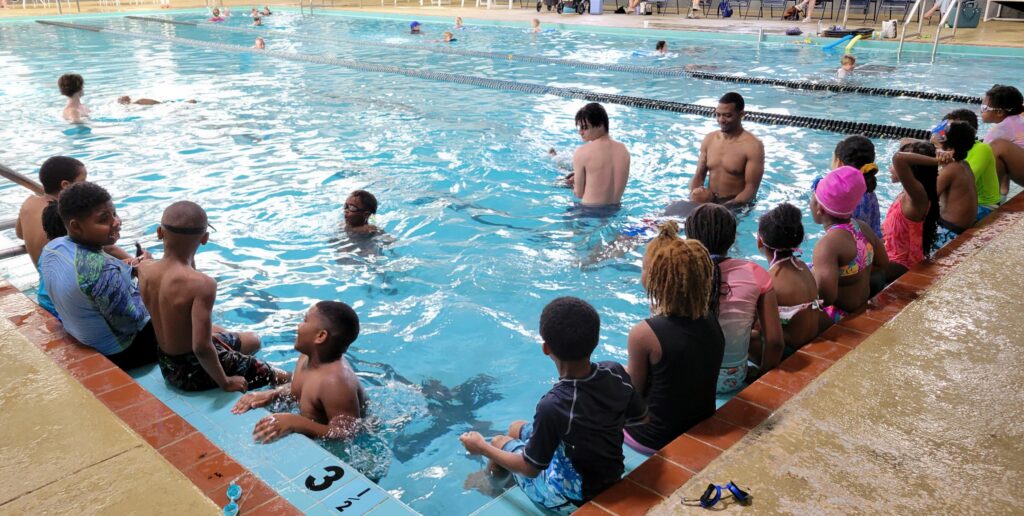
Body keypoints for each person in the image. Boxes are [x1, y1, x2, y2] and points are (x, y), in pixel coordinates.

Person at [458, 297, 648, 512]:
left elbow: (530, 468)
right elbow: (641, 418)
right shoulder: (614, 371)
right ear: (595, 340)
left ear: (546, 348)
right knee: (516, 427)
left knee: (499, 441)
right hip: (609, 472)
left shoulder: (554, 405)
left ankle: (491, 485)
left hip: (574, 493)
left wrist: (481, 448)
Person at [138, 201, 289, 392]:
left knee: (253, 340)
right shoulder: (203, 284)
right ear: (205, 238)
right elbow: (201, 347)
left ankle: (235, 357)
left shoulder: (144, 269)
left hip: (168, 365)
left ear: (159, 232)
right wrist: (225, 381)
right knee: (282, 377)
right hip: (192, 372)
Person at [623, 222, 724, 455]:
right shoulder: (709, 318)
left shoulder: (643, 334)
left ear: (657, 281)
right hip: (701, 421)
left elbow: (634, 393)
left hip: (653, 437)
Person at [39, 182, 157, 370]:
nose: (116, 222)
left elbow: (86, 281)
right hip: (121, 353)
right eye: (103, 220)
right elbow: (130, 324)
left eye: (114, 214)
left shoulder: (54, 247)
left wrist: (128, 270)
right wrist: (147, 277)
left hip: (80, 335)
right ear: (76, 226)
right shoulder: (102, 270)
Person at [232, 301, 368, 442]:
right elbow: (300, 391)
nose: (299, 325)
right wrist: (273, 394)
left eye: (305, 320)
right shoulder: (307, 357)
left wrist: (295, 422)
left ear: (320, 336)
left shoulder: (335, 383)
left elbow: (347, 433)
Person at [685, 204, 783, 392]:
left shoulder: (680, 274)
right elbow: (775, 342)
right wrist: (762, 375)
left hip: (689, 378)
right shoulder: (755, 273)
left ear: (689, 239)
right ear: (732, 240)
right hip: (732, 378)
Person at [810, 166, 888, 322]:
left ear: (819, 208)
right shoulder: (861, 227)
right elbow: (882, 262)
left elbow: (826, 298)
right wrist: (854, 275)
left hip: (837, 316)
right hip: (859, 306)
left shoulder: (827, 246)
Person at [757, 203, 831, 350]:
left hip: (790, 350)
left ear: (760, 241)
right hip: (811, 338)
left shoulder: (770, 281)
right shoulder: (802, 266)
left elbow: (770, 338)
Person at [688, 92, 765, 208]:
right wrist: (694, 199)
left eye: (727, 116)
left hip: (736, 205)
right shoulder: (709, 139)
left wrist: (724, 209)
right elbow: (699, 176)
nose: (721, 120)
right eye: (718, 115)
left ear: (741, 114)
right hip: (708, 201)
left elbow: (751, 189)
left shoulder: (753, 146)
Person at [885, 142, 940, 281]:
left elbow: (899, 158)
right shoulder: (907, 194)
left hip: (903, 265)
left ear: (910, 170)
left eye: (893, 166)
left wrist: (936, 160)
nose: (891, 168)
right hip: (892, 259)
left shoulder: (917, 198)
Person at [925, 120, 979, 253]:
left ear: (948, 149)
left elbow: (925, 199)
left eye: (935, 146)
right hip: (962, 226)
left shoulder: (951, 170)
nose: (934, 149)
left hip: (950, 230)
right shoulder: (964, 165)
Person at [566, 103, 631, 209]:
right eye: (580, 127)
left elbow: (578, 194)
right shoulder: (624, 150)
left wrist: (573, 184)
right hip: (615, 210)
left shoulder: (582, 152)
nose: (580, 132)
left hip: (588, 211)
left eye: (585, 127)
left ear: (600, 125)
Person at [942, 109, 1001, 212]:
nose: (945, 135)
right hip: (960, 201)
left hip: (984, 205)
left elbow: (963, 181)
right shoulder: (949, 149)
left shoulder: (982, 149)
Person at [980, 85, 1024, 197]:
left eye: (985, 108)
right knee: (1003, 153)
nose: (981, 111)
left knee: (995, 148)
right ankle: (1002, 192)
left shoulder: (1002, 128)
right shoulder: (1017, 120)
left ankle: (991, 197)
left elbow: (983, 155)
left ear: (999, 112)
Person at [835, 135, 882, 238]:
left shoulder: (842, 196)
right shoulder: (870, 192)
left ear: (840, 163)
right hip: (869, 251)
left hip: (848, 251)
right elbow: (876, 231)